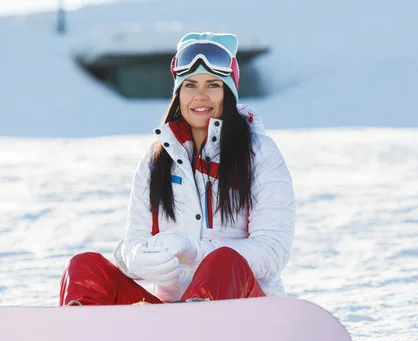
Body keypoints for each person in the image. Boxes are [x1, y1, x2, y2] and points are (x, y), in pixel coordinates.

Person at [59, 32, 296, 305]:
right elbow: (134, 239)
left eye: (213, 85)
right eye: (191, 85)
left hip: (245, 311)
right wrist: (136, 259)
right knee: (86, 267)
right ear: (178, 94)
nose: (200, 96)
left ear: (228, 93)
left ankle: (200, 332)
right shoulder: (157, 158)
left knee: (224, 261)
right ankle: (77, 338)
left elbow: (273, 251)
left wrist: (196, 251)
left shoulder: (260, 153)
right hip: (171, 314)